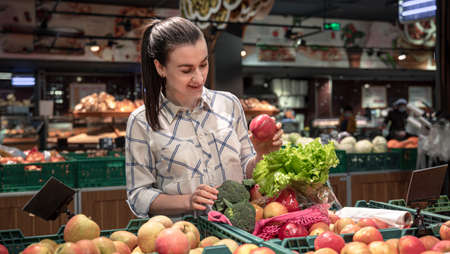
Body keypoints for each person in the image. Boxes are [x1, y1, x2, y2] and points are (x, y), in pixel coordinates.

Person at [125, 17, 283, 219]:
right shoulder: (141, 122)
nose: (199, 78)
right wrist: (187, 201)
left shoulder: (229, 104)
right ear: (160, 67)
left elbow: (248, 175)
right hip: (186, 240)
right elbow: (138, 196)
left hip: (241, 235)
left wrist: (262, 155)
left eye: (203, 64)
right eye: (186, 70)